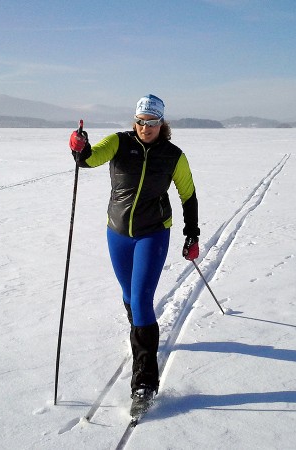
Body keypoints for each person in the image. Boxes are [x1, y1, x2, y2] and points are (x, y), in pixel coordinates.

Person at [69, 94, 200, 409]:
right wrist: (79, 147)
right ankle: (138, 333)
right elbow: (88, 159)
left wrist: (191, 233)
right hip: (117, 233)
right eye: (141, 122)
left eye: (152, 123)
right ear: (135, 121)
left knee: (141, 300)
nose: (146, 128)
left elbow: (189, 195)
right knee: (128, 295)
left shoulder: (173, 156)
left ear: (161, 123)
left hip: (152, 234)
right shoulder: (118, 143)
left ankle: (144, 381)